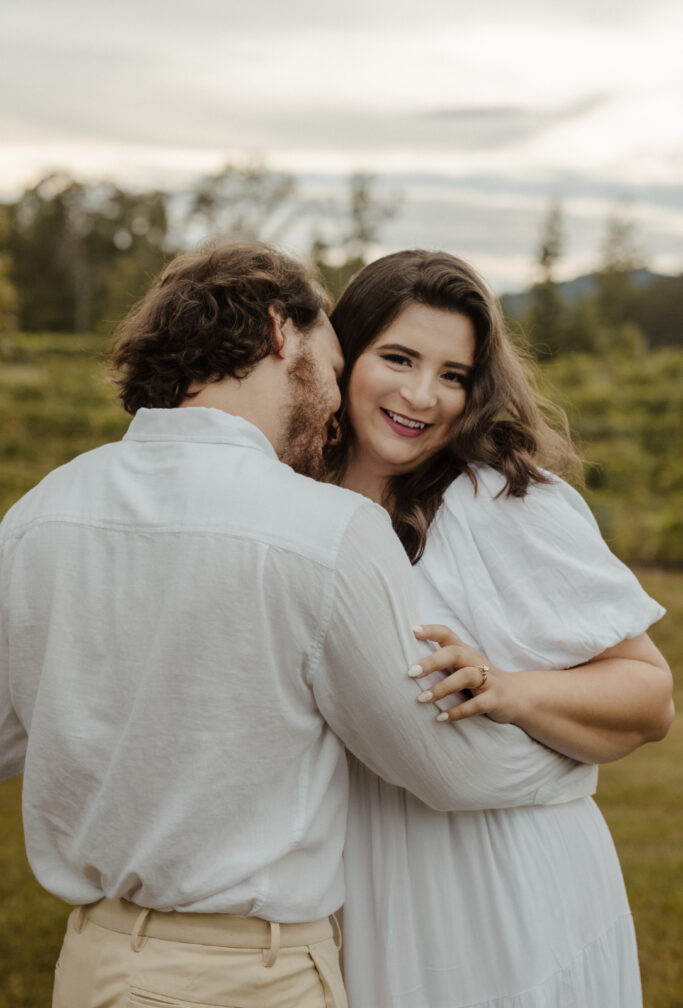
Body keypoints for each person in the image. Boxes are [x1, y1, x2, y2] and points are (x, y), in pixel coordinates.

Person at [0, 242, 599, 1008]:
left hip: (93, 965)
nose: (334, 398)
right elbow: (446, 768)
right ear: (284, 332)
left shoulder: (41, 513)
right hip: (246, 976)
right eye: (337, 354)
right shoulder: (325, 529)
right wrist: (573, 766)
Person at [327, 249, 673, 1008]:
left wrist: (507, 688)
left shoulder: (501, 500)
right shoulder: (295, 495)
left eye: (453, 375)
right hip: (355, 880)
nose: (423, 395)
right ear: (342, 355)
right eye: (398, 357)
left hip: (498, 885)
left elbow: (649, 697)